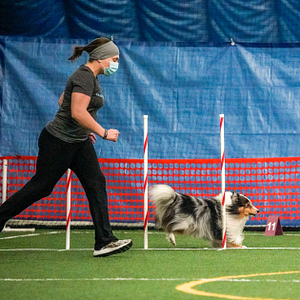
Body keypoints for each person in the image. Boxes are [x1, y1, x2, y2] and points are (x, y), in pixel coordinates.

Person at [0, 37, 132, 257]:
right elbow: (76, 111)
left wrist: (84, 129)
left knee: (96, 182)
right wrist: (103, 132)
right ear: (100, 58)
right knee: (42, 187)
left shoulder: (91, 78)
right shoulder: (84, 76)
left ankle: (104, 241)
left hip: (78, 142)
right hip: (58, 141)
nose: (116, 63)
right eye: (114, 59)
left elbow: (64, 100)